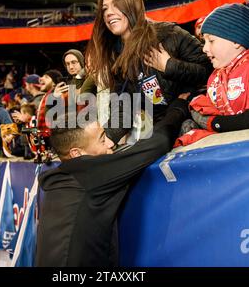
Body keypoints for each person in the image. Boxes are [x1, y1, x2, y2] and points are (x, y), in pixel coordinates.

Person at [36, 97, 189, 267]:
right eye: (102, 140)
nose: (110, 145)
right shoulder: (89, 173)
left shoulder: (61, 180)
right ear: (76, 154)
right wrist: (179, 107)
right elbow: (158, 143)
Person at [85, 0, 212, 145]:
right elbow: (124, 107)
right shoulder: (115, 56)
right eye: (104, 9)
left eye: (115, 5)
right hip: (161, 128)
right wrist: (105, 140)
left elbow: (209, 70)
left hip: (193, 118)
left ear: (132, 7)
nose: (108, 13)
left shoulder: (168, 33)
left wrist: (169, 66)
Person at [186, 3, 249, 135]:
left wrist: (213, 123)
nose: (204, 48)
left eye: (211, 41)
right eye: (204, 42)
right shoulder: (215, 77)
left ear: (236, 41)